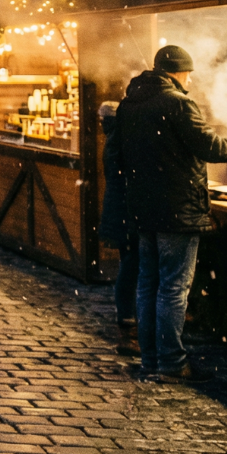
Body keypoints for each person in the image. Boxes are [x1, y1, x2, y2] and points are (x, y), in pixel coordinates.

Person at [117, 45, 227, 383]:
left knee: (148, 284)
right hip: (176, 211)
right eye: (188, 73)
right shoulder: (177, 103)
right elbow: (211, 147)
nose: (190, 80)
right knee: (172, 288)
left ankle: (151, 360)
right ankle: (171, 363)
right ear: (177, 72)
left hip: (143, 209)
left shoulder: (130, 104)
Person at [98, 100, 138, 355]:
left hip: (118, 208)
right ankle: (127, 316)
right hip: (126, 208)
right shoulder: (122, 138)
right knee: (131, 263)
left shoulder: (113, 138)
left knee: (129, 261)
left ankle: (126, 314)